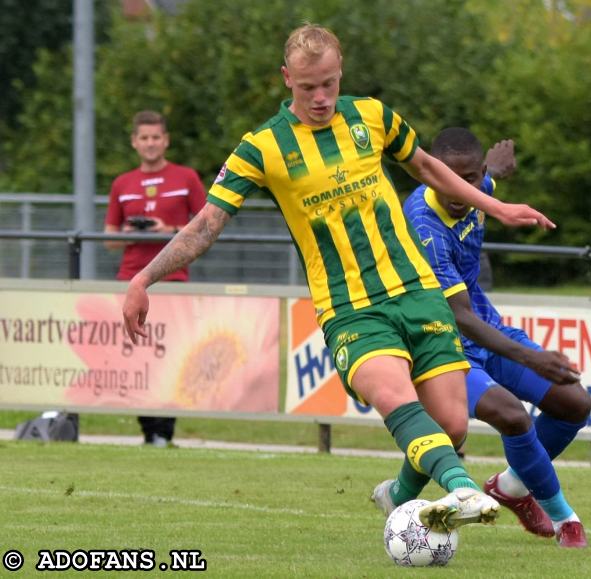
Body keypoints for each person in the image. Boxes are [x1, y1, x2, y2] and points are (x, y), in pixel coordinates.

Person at [121, 24, 557, 532]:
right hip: (351, 307)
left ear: (340, 71)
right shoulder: (261, 147)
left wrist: (495, 205)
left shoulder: (371, 116)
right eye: (308, 87)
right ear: (287, 79)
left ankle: (398, 495)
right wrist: (143, 278)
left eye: (328, 83)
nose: (321, 97)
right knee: (396, 397)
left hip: (417, 290)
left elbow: (426, 167)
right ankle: (461, 489)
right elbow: (205, 224)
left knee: (452, 424)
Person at [401, 128, 591, 548]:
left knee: (574, 403)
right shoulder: (423, 224)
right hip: (442, 346)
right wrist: (531, 357)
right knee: (513, 416)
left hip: (488, 332)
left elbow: (483, 181)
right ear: (430, 174)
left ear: (479, 173)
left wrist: (497, 174)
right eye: (445, 177)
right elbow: (460, 317)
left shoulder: (475, 187)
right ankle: (566, 520)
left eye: (470, 178)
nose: (458, 190)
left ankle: (511, 487)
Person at [105, 110, 206, 448]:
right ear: (135, 142)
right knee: (136, 355)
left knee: (170, 355)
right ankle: (148, 430)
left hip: (172, 279)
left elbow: (207, 225)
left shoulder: (187, 178)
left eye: (156, 137)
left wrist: (170, 232)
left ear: (166, 140)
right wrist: (130, 232)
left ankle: (164, 431)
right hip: (131, 278)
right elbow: (108, 239)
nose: (150, 143)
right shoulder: (122, 183)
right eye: (144, 138)